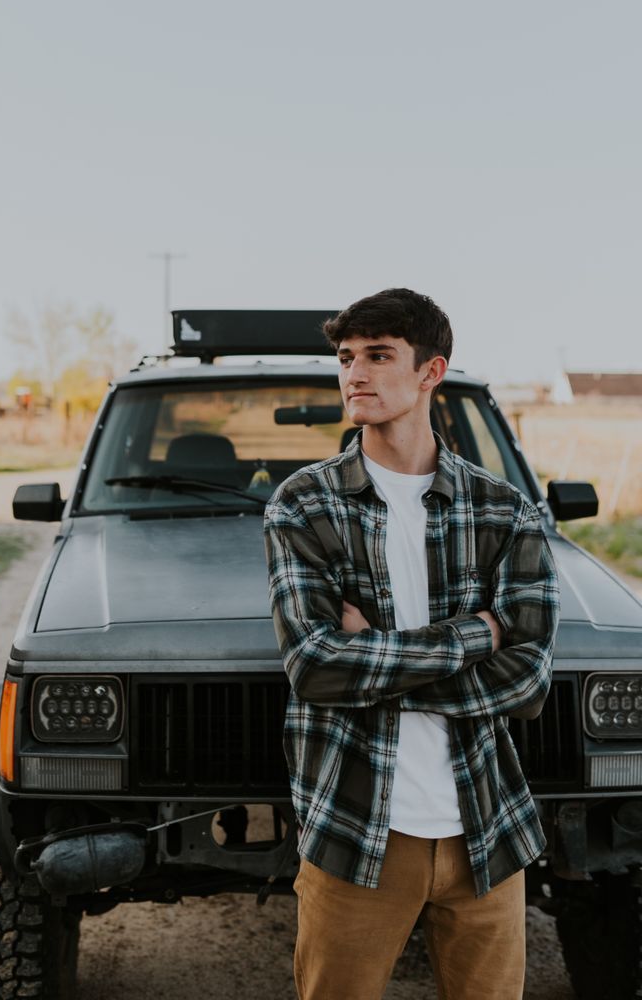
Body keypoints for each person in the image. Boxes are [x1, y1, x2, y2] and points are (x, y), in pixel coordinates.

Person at [263, 288, 559, 1000]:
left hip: (487, 827)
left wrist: (378, 657)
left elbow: (527, 681)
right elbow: (316, 666)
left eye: (378, 356)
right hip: (358, 824)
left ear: (431, 372)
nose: (354, 374)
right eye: (345, 358)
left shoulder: (503, 509)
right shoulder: (305, 505)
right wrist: (472, 634)